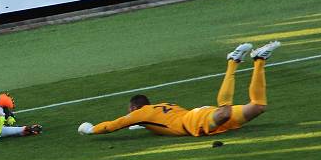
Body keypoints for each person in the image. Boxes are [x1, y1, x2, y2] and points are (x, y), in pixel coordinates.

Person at [78, 41, 281, 137]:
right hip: (200, 114)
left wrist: (89, 129)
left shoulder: (141, 114)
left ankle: (233, 61)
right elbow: (155, 123)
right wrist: (140, 124)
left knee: (226, 110)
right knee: (258, 106)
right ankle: (259, 59)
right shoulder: (159, 108)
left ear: (134, 109)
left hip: (193, 122)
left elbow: (112, 125)